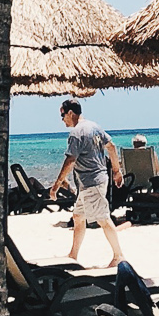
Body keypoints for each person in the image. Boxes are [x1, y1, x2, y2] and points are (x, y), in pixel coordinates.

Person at [51, 100, 124, 263]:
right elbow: (111, 147)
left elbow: (70, 160)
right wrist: (117, 171)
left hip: (92, 183)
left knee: (103, 219)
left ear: (70, 113)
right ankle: (73, 255)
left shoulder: (76, 133)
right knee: (78, 216)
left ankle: (119, 256)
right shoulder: (95, 127)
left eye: (63, 115)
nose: (62, 119)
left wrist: (56, 185)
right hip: (93, 182)